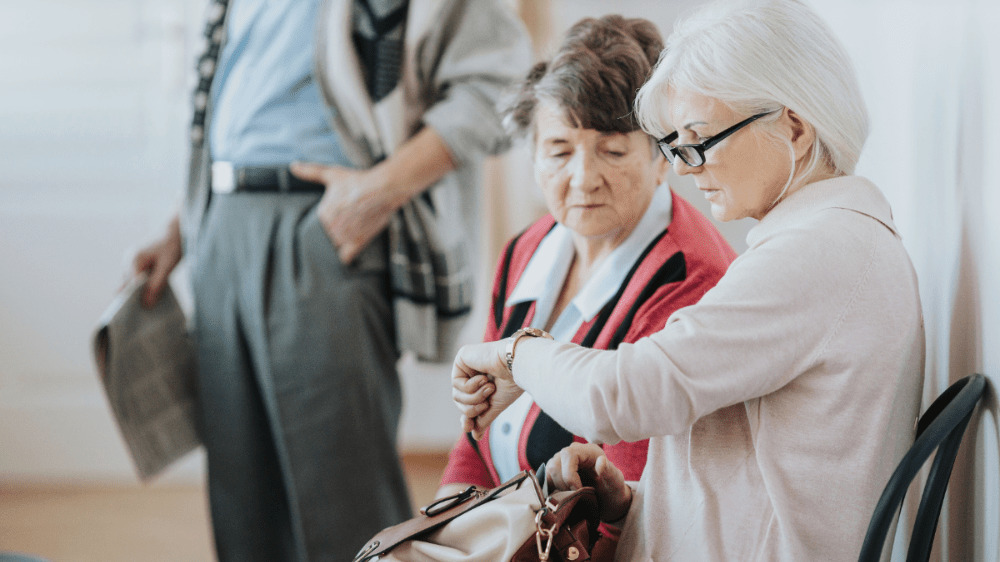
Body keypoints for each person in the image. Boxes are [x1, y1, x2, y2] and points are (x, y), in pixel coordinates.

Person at [451, 0, 925, 560]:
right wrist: (630, 503)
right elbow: (758, 484)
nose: (682, 167)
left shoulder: (817, 254)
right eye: (676, 145)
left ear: (793, 128)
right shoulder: (830, 241)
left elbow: (618, 398)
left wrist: (516, 356)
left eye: (700, 139)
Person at [131, 1, 531, 560]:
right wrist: (183, 224)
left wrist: (381, 188)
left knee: (341, 498)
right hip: (220, 224)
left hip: (324, 225)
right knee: (240, 495)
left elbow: (501, 86)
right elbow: (242, 95)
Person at [437, 15, 736, 508]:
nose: (582, 179)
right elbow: (475, 443)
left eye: (612, 151)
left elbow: (630, 500)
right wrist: (445, 534)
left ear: (663, 157)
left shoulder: (690, 280)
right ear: (532, 155)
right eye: (558, 150)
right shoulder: (523, 253)